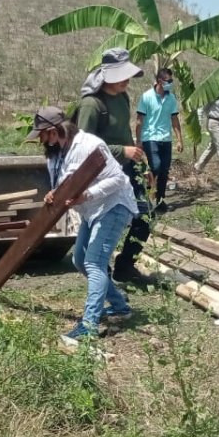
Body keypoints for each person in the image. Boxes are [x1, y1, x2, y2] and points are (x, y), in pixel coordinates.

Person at [29, 106, 138, 343]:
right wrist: (55, 193)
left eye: (42, 135)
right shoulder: (62, 150)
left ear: (52, 131)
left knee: (94, 262)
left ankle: (89, 324)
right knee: (79, 259)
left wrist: (86, 195)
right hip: (92, 210)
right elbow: (70, 181)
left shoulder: (89, 145)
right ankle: (120, 307)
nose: (41, 140)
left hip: (112, 206)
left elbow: (117, 178)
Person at [73, 48, 152, 286]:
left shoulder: (123, 97)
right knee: (102, 223)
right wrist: (120, 151)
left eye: (127, 75)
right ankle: (101, 275)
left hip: (126, 170)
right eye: (121, 76)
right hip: (101, 177)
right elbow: (83, 146)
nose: (126, 81)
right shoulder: (92, 104)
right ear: (106, 76)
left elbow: (126, 135)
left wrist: (140, 164)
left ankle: (125, 265)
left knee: (145, 216)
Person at [135, 68, 184, 213]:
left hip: (166, 138)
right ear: (160, 81)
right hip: (150, 137)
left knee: (164, 171)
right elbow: (139, 120)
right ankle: (147, 189)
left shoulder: (171, 99)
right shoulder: (146, 97)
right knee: (155, 166)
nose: (170, 84)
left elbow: (174, 119)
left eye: (171, 81)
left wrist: (180, 140)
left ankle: (160, 199)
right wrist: (138, 140)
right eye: (168, 81)